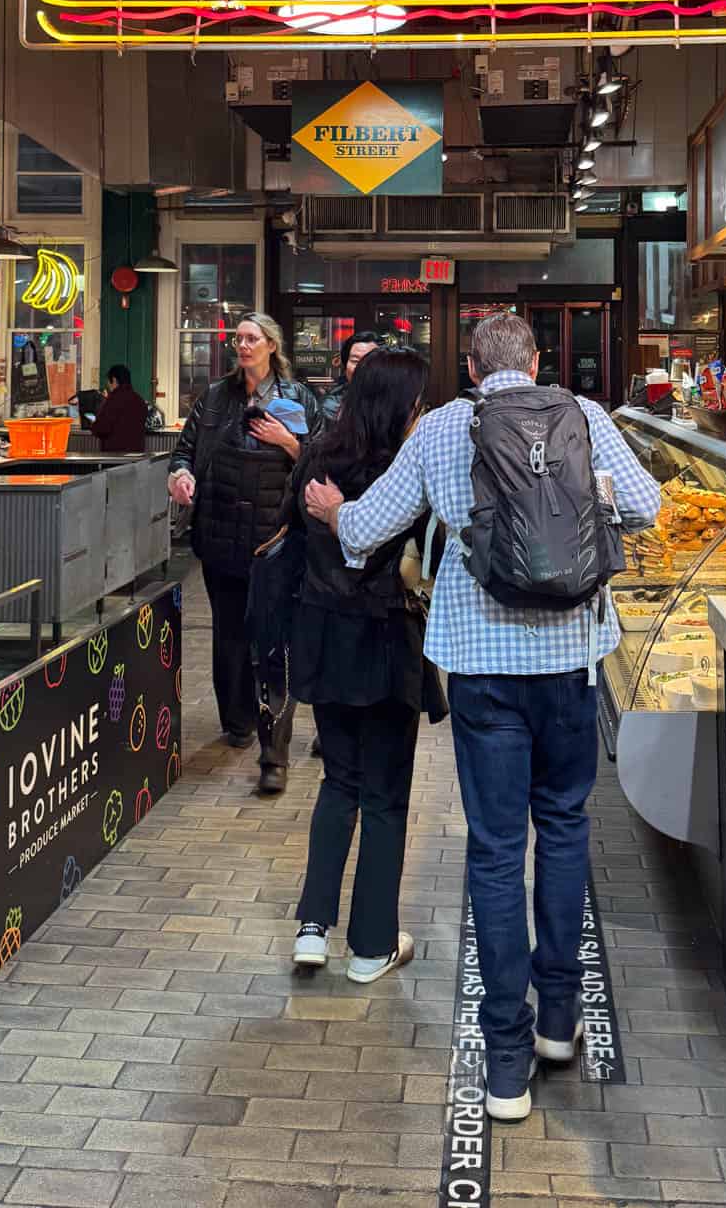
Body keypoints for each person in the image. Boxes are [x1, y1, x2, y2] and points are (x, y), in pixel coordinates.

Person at [305, 312, 659, 1120]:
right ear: (536, 362)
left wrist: (332, 513)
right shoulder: (585, 415)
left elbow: (367, 526)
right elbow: (646, 508)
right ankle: (559, 1020)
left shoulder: (441, 431)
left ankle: (505, 1066)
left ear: (470, 368)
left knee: (497, 854)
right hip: (570, 661)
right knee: (563, 831)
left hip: (483, 674)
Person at [286, 346, 446, 983]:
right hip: (385, 643)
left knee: (339, 783)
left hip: (324, 637)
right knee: (383, 795)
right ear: (399, 406)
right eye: (417, 403)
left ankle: (311, 929)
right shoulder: (407, 470)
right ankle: (372, 945)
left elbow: (294, 536)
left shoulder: (318, 456)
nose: (421, 413)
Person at [169, 313, 321, 791]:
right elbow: (184, 451)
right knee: (229, 636)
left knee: (273, 641)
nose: (242, 345)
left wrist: (288, 442)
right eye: (238, 338)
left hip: (275, 539)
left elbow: (320, 462)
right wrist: (180, 476)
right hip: (219, 535)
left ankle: (272, 742)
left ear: (272, 345)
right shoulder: (215, 397)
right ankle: (236, 720)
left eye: (252, 338)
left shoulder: (298, 399)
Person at [319, 331, 381, 424]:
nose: (361, 367)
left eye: (370, 361)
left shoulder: (398, 401)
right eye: (355, 361)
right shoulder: (331, 406)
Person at [91, 364, 149, 453]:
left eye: (108, 382)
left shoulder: (113, 400)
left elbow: (102, 428)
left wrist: (94, 425)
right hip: (136, 456)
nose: (108, 385)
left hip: (115, 455)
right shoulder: (140, 401)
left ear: (114, 380)